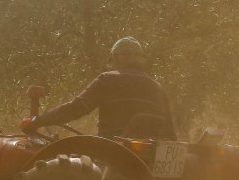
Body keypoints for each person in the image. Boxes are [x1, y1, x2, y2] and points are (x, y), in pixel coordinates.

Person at [21, 37, 177, 140]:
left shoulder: (108, 80)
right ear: (141, 60)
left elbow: (76, 108)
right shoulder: (157, 89)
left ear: (116, 58)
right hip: (148, 160)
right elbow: (170, 134)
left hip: (111, 153)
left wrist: (38, 121)